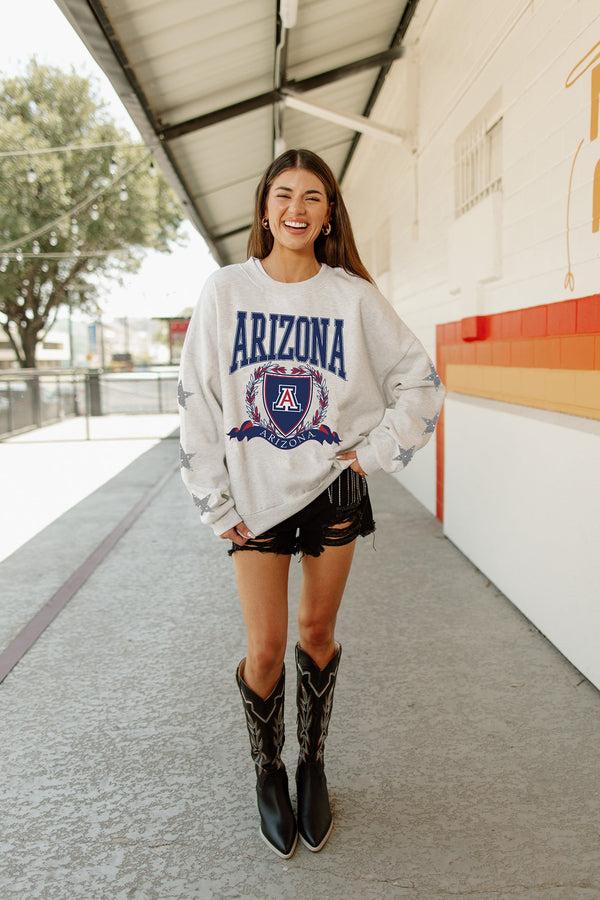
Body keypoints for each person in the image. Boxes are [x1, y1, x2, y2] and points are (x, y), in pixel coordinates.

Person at [177, 148, 446, 859]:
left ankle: (312, 764)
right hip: (253, 498)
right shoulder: (225, 291)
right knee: (264, 648)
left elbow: (419, 383)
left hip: (331, 491)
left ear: (329, 214)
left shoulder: (352, 296)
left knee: (315, 634)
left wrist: (372, 453)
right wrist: (213, 498)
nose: (297, 208)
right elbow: (199, 402)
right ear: (265, 207)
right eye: (285, 194)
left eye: (314, 197)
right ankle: (268, 770)